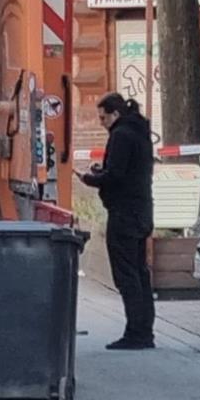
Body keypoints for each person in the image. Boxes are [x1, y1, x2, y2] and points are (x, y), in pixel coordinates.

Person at [77, 93, 156, 350]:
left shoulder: (121, 135)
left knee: (127, 275)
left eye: (103, 117)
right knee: (140, 272)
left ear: (115, 114)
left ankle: (135, 332)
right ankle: (145, 330)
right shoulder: (140, 133)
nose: (101, 122)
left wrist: (92, 178)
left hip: (124, 212)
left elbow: (117, 175)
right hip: (142, 209)